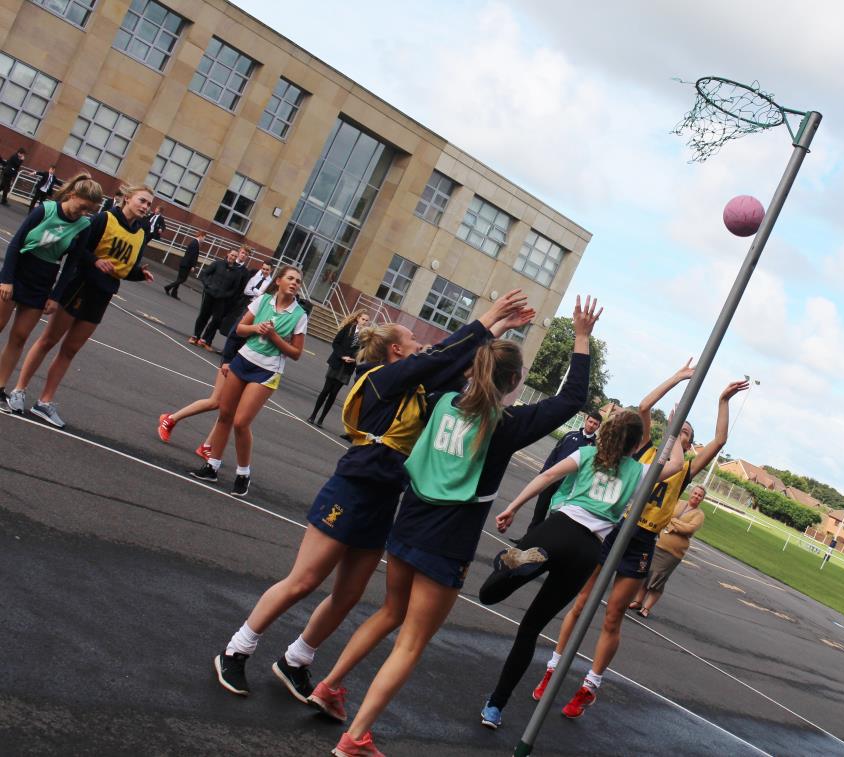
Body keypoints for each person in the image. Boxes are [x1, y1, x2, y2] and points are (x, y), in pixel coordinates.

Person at [210, 290, 531, 709]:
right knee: (304, 581)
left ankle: (296, 660)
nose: (422, 348)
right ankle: (237, 648)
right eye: (414, 345)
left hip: (384, 499)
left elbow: (455, 368)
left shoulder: (414, 388)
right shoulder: (382, 378)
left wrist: (495, 333)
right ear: (397, 351)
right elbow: (440, 359)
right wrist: (487, 318)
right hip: (352, 489)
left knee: (348, 594)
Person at [316, 296, 600, 757]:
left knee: (390, 612)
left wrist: (490, 324)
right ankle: (355, 739)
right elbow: (571, 399)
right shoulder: (504, 424)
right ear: (514, 381)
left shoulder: (443, 401)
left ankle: (328, 685)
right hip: (446, 540)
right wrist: (582, 338)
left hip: (408, 521)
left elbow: (442, 359)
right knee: (411, 642)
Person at [533, 378, 751, 721]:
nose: (680, 436)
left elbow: (721, 440)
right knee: (581, 602)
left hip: (644, 540)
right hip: (616, 529)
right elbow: (645, 407)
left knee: (613, 614)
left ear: (689, 444)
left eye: (686, 436)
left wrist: (723, 401)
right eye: (677, 430)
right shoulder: (645, 450)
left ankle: (590, 684)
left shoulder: (686, 470)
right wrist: (678, 380)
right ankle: (553, 667)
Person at [476, 409, 684, 730]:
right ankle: (495, 707)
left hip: (559, 528)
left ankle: (518, 561)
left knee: (489, 593)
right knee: (530, 629)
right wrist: (675, 431)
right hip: (588, 550)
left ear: (608, 432)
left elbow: (547, 477)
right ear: (634, 445)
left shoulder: (587, 453)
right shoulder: (639, 472)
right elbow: (676, 465)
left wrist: (512, 507)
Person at [7, 184, 155, 427]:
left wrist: (139, 274)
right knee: (48, 340)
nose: (145, 207)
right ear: (127, 199)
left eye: (149, 204)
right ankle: (19, 389)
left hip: (103, 294)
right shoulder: (103, 219)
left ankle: (44, 402)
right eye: (142, 200)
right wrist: (95, 261)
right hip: (79, 285)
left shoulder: (140, 234)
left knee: (70, 350)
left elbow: (123, 268)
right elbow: (78, 249)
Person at [188, 265, 308, 496]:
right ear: (279, 281)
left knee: (241, 422)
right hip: (243, 360)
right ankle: (212, 466)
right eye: (290, 278)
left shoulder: (299, 316)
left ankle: (243, 473)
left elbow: (296, 353)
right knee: (225, 414)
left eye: (298, 281)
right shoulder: (263, 300)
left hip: (267, 370)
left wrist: (273, 337)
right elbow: (241, 329)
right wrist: (256, 328)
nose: (294, 283)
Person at [0, 174, 103, 414]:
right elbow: (16, 244)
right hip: (18, 273)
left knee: (20, 337)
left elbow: (71, 264)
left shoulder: (83, 226)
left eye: (90, 210)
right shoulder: (45, 210)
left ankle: (1, 386)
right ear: (71, 196)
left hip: (43, 281)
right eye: (82, 206)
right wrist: (6, 280)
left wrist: (55, 296)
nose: (84, 213)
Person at [157, 324, 246, 459]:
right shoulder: (261, 305)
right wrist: (227, 360)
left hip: (251, 367)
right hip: (234, 360)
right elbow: (235, 333)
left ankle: (207, 446)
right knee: (215, 402)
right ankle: (170, 419)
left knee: (231, 410)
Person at [513, 409, 602, 543]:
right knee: (539, 512)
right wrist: (544, 473)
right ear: (586, 420)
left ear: (598, 427)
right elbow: (554, 454)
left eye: (595, 424)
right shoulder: (569, 436)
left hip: (568, 488)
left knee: (554, 519)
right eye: (590, 421)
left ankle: (543, 545)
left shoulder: (595, 447)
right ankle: (527, 540)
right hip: (550, 480)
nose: (591, 425)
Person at [630, 484, 706, 618]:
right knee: (645, 573)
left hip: (673, 553)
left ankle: (646, 608)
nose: (696, 496)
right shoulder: (678, 502)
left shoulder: (699, 515)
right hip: (657, 545)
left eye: (700, 495)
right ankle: (637, 601)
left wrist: (673, 522)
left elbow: (689, 530)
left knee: (659, 579)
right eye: (695, 493)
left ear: (702, 499)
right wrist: (676, 523)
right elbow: (665, 515)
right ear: (691, 493)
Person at [307, 309, 369, 427]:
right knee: (326, 390)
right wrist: (342, 356)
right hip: (337, 363)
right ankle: (313, 415)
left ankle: (321, 419)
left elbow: (363, 353)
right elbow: (336, 343)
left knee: (334, 393)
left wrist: (354, 359)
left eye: (367, 320)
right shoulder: (348, 328)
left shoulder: (365, 336)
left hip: (347, 368)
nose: (365, 322)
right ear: (357, 319)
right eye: (363, 319)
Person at [189, 249, 243, 350]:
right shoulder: (218, 264)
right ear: (228, 254)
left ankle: (204, 339)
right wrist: (208, 286)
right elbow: (205, 274)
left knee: (217, 320)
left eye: (235, 256)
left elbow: (235, 289)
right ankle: (195, 336)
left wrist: (226, 294)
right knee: (203, 316)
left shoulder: (237, 272)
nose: (233, 257)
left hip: (221, 299)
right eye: (232, 255)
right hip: (209, 294)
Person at [163, 231, 205, 298]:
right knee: (182, 279)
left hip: (184, 263)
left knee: (179, 279)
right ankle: (168, 287)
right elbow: (192, 256)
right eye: (204, 238)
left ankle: (174, 293)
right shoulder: (195, 243)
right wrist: (192, 266)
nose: (204, 240)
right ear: (200, 236)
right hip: (186, 264)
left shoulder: (194, 242)